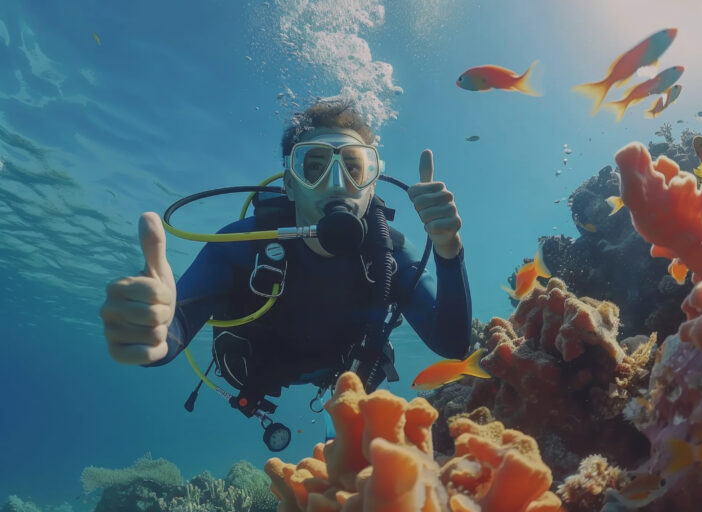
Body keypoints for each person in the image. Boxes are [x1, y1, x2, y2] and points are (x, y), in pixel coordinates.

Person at [100, 100, 471, 423]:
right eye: (315, 166)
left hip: (342, 374)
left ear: (372, 184)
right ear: (290, 184)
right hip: (255, 372)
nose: (337, 183)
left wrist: (448, 250)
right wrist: (152, 331)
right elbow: (172, 328)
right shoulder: (240, 246)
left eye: (355, 168)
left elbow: (452, 344)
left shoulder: (390, 255)